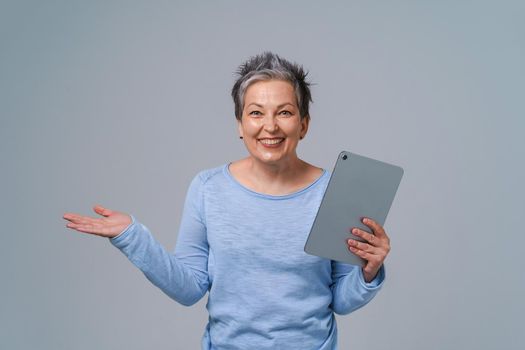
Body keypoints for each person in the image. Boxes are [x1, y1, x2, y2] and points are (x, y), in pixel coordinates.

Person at [63, 52, 391, 349]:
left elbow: (340, 300)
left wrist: (368, 272)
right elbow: (189, 287)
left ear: (303, 124)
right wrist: (131, 236)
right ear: (240, 124)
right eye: (256, 113)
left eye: (285, 112)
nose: (270, 126)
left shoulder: (335, 191)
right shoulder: (208, 188)